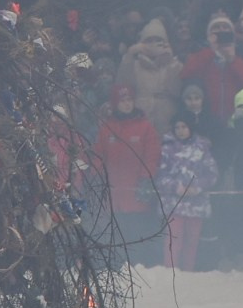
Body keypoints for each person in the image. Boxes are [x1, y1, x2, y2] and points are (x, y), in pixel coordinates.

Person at [91, 85, 165, 266]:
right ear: (116, 103)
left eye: (129, 100)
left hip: (136, 190)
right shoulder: (107, 128)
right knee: (116, 230)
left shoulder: (145, 126)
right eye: (123, 101)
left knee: (137, 229)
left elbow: (152, 154)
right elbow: (98, 155)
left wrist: (146, 179)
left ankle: (138, 263)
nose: (127, 104)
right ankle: (117, 264)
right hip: (114, 193)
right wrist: (98, 177)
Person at [155, 116, 216, 271]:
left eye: (184, 127)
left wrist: (196, 187)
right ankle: (170, 273)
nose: (181, 131)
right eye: (177, 127)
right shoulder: (166, 149)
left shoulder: (202, 148)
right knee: (173, 240)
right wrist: (176, 187)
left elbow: (212, 174)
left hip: (196, 204)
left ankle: (188, 272)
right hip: (173, 204)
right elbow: (159, 176)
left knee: (192, 241)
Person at [181, 13, 243, 114]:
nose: (221, 30)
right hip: (207, 115)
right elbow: (186, 75)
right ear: (209, 33)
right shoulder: (200, 52)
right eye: (216, 27)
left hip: (237, 116)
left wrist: (233, 60)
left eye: (225, 27)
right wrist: (211, 51)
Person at [119, 19, 183, 132]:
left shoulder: (175, 64)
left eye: (158, 40)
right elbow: (122, 88)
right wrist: (129, 55)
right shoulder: (134, 65)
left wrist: (171, 61)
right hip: (140, 120)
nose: (153, 44)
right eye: (149, 40)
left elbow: (177, 91)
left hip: (167, 121)